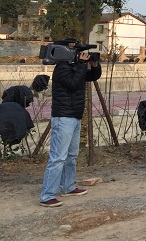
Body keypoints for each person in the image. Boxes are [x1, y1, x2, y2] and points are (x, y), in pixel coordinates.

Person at [39, 41, 102, 207]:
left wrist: (94, 66)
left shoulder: (75, 67)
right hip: (63, 117)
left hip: (74, 115)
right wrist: (81, 64)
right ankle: (47, 195)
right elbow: (73, 84)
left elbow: (92, 77)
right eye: (77, 52)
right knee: (58, 157)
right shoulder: (62, 68)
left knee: (71, 155)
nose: (80, 54)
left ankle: (68, 186)